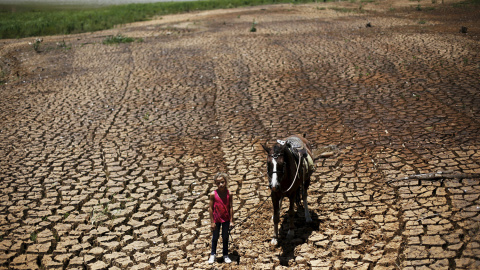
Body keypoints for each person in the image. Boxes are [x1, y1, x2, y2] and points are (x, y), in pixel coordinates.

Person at [208, 172, 234, 264]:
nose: (221, 185)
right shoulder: (213, 194)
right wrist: (212, 222)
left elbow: (231, 207)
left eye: (222, 182)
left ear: (226, 182)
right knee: (215, 237)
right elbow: (210, 208)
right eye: (218, 183)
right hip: (216, 220)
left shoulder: (229, 194)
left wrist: (231, 221)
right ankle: (213, 254)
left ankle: (225, 255)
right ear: (215, 183)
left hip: (226, 219)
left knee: (225, 237)